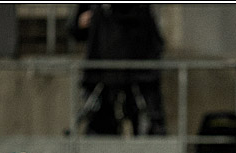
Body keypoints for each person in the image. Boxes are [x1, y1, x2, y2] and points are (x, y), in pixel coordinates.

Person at [69, 4, 166, 136]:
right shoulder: (95, 8)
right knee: (101, 127)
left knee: (145, 125)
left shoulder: (140, 9)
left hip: (137, 75)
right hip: (102, 76)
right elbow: (75, 31)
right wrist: (80, 23)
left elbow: (155, 40)